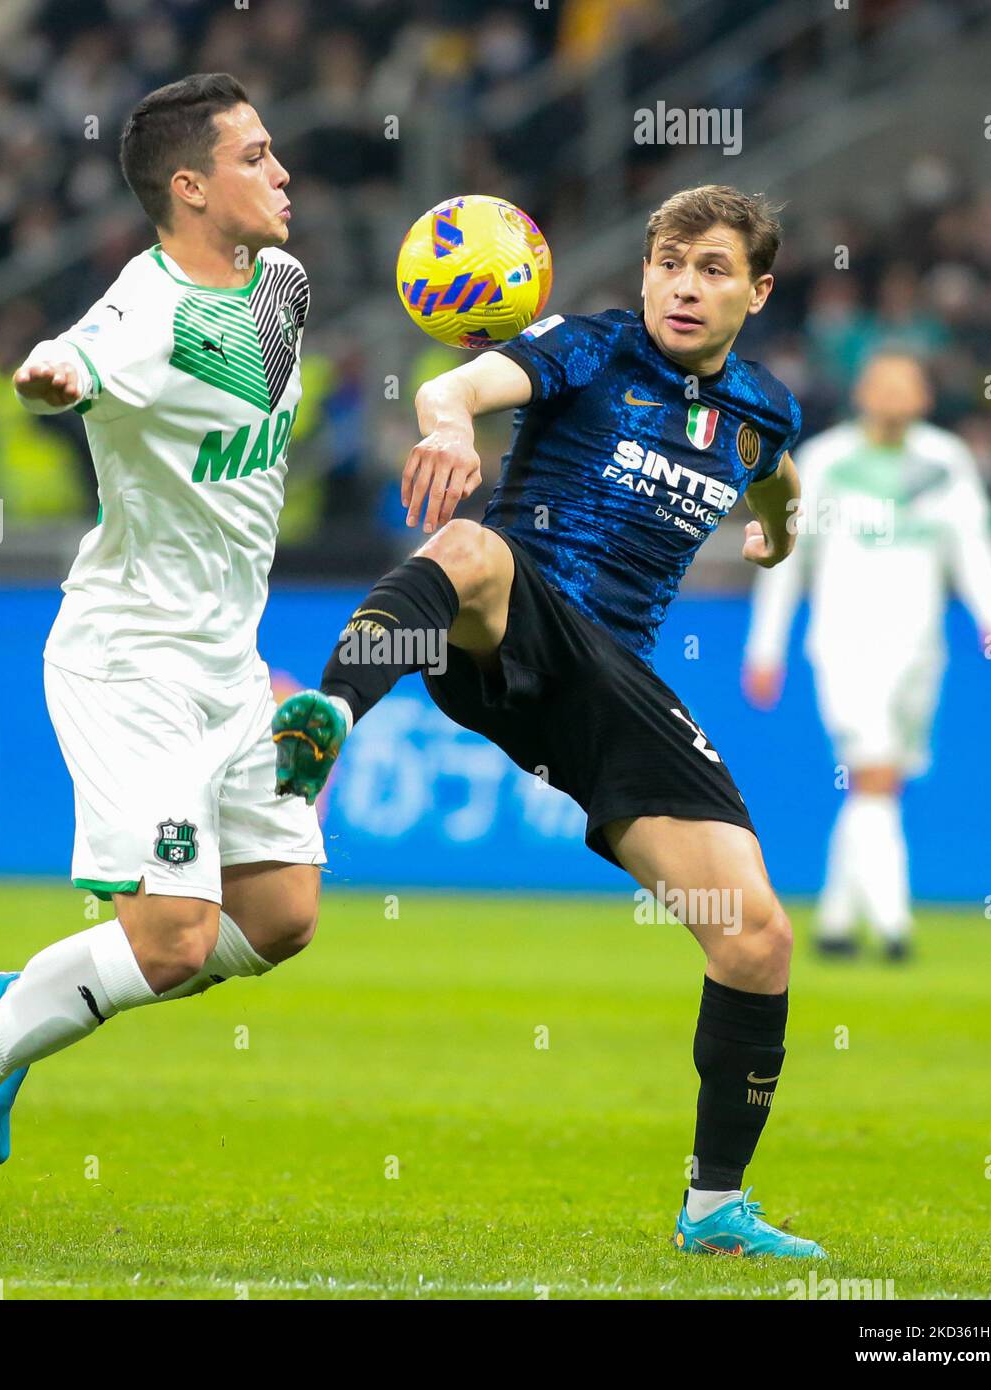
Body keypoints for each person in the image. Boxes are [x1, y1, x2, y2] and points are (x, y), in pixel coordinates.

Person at [274, 184, 826, 1258]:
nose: (682, 283)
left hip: (611, 688)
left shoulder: (758, 409)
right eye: (668, 259)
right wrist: (446, 427)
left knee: (754, 937)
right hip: (506, 622)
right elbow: (461, 383)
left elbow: (775, 480)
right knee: (473, 548)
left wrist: (778, 536)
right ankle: (327, 712)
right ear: (644, 273)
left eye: (712, 268)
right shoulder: (589, 345)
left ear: (755, 292)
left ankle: (713, 1206)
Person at [0, 73, 323, 1234]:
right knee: (173, 941)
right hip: (130, 661)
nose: (281, 174)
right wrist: (56, 379)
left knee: (280, 915)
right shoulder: (144, 308)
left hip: (228, 661)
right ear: (190, 187)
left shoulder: (281, 284)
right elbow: (76, 353)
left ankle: (19, 999)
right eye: (255, 156)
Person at [744, 350, 991, 959]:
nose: (893, 394)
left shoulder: (945, 463)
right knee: (874, 773)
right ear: (860, 391)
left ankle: (836, 922)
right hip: (845, 642)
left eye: (906, 385)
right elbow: (786, 562)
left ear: (924, 396)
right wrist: (766, 647)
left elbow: (970, 545)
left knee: (881, 783)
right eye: (881, 382)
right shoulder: (823, 461)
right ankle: (895, 926)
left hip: (921, 646)